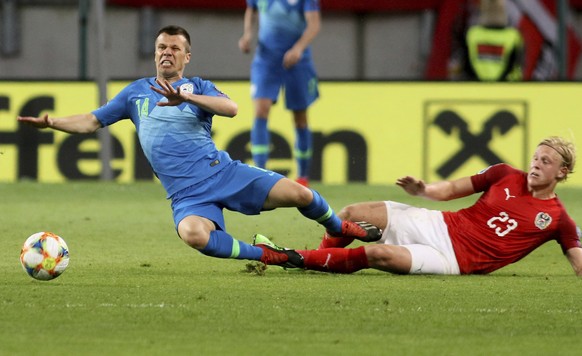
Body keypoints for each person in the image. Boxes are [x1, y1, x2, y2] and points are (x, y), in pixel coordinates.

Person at [17, 25, 381, 268]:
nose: (166, 53)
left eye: (175, 48)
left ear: (186, 57)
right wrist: (52, 122)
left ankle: (339, 228)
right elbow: (91, 121)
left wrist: (187, 100)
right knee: (194, 235)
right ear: (155, 52)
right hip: (187, 197)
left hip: (223, 173)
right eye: (161, 47)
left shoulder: (199, 86)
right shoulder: (135, 93)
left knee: (301, 195)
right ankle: (273, 255)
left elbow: (232, 108)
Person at [256, 136, 582, 276]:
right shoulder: (504, 174)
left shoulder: (558, 220)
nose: (536, 164)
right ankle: (322, 258)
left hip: (451, 260)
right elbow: (451, 189)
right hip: (438, 224)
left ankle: (292, 259)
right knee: (352, 213)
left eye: (546, 161)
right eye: (536, 157)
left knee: (378, 255)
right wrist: (424, 189)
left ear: (562, 172)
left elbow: (578, 264)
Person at [238, 0, 321, 187]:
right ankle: (260, 173)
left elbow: (314, 24)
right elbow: (251, 9)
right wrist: (248, 34)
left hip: (298, 61)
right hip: (266, 59)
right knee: (261, 110)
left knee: (300, 117)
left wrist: (298, 48)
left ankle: (303, 176)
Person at [449, 0, 523, 81]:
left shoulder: (472, 34)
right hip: (507, 88)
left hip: (476, 86)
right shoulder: (513, 36)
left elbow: (466, 65)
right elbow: (516, 65)